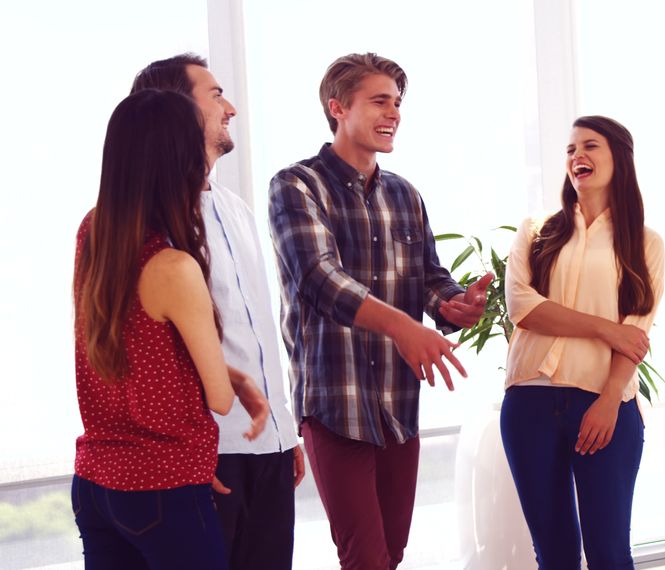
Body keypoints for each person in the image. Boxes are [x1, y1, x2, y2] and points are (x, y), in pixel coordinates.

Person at [268, 52, 491, 570]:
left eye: (397, 102)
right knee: (365, 558)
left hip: (398, 404)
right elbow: (319, 280)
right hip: (333, 405)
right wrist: (403, 326)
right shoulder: (296, 186)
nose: (393, 112)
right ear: (337, 108)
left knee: (391, 554)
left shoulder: (405, 196)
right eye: (378, 101)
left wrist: (456, 305)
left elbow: (427, 281)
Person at [71, 89, 268, 569]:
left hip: (97, 484)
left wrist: (233, 376)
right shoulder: (174, 267)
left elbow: (140, 350)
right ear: (178, 159)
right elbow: (218, 400)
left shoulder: (93, 232)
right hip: (163, 489)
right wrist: (232, 381)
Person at [129, 53, 306, 569]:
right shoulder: (147, 226)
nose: (230, 108)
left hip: (267, 449)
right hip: (206, 455)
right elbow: (140, 353)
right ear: (175, 111)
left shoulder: (236, 208)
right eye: (214, 95)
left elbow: (257, 334)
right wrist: (183, 451)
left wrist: (285, 432)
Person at [502, 115, 665, 570]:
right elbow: (523, 308)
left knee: (609, 555)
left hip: (604, 405)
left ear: (619, 159)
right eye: (571, 149)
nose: (577, 157)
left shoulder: (645, 243)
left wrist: (611, 399)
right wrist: (605, 328)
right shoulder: (536, 229)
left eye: (590, 146)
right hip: (529, 404)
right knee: (553, 556)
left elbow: (637, 333)